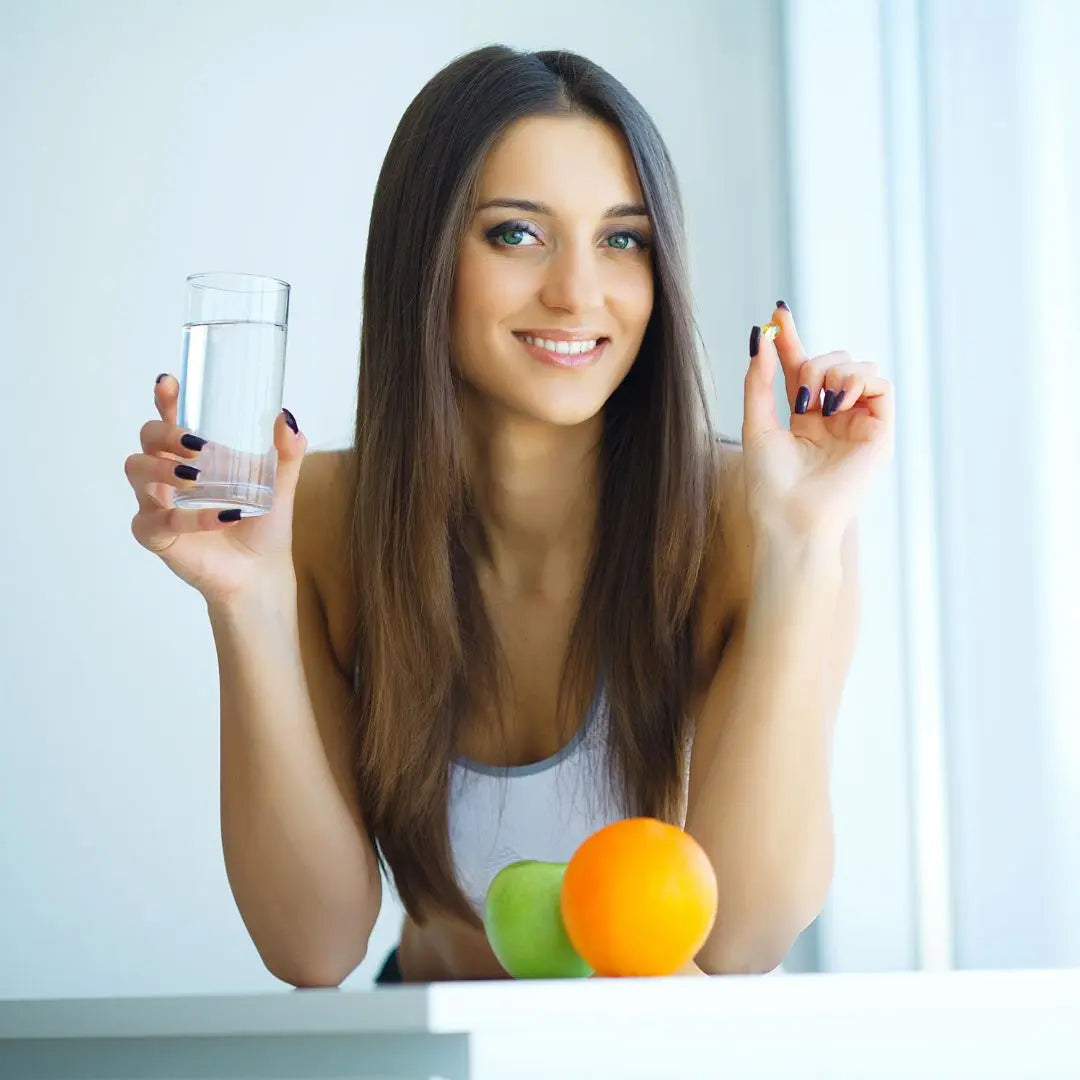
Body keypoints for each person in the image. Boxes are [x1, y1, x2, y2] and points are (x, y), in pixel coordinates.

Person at [126, 45, 893, 986]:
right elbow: (314, 947)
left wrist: (803, 548)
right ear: (425, 257)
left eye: (623, 240)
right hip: (430, 1038)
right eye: (518, 234)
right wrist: (247, 601)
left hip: (665, 1052)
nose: (577, 292)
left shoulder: (758, 520)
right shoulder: (318, 518)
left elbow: (741, 939)